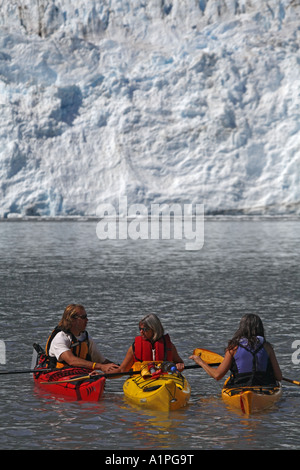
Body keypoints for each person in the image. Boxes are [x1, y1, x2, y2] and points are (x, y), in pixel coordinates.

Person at [190, 314, 282, 386]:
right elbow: (279, 376)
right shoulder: (267, 346)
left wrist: (200, 362)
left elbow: (217, 375)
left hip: (240, 386)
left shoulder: (234, 347)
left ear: (241, 328)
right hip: (263, 387)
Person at [44, 304, 119, 374]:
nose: (87, 320)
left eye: (86, 316)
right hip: (60, 374)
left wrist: (120, 368)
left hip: (80, 374)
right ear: (72, 319)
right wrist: (101, 367)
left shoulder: (86, 338)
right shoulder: (61, 337)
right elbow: (71, 360)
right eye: (83, 317)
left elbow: (102, 361)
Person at [118, 314, 185, 372]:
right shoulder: (134, 348)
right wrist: (108, 374)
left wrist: (179, 365)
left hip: (165, 379)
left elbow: (179, 362)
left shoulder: (169, 346)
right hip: (142, 380)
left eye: (145, 329)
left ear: (154, 329)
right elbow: (122, 370)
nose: (141, 332)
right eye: (140, 329)